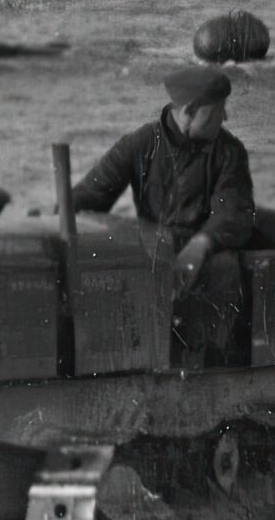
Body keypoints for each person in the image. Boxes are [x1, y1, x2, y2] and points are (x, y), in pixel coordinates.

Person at [72, 65, 257, 358]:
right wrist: (54, 217)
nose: (225, 117)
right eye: (217, 109)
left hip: (205, 254)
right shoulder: (140, 143)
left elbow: (233, 212)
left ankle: (204, 358)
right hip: (153, 248)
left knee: (225, 268)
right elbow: (91, 194)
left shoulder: (229, 151)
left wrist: (201, 245)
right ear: (189, 111)